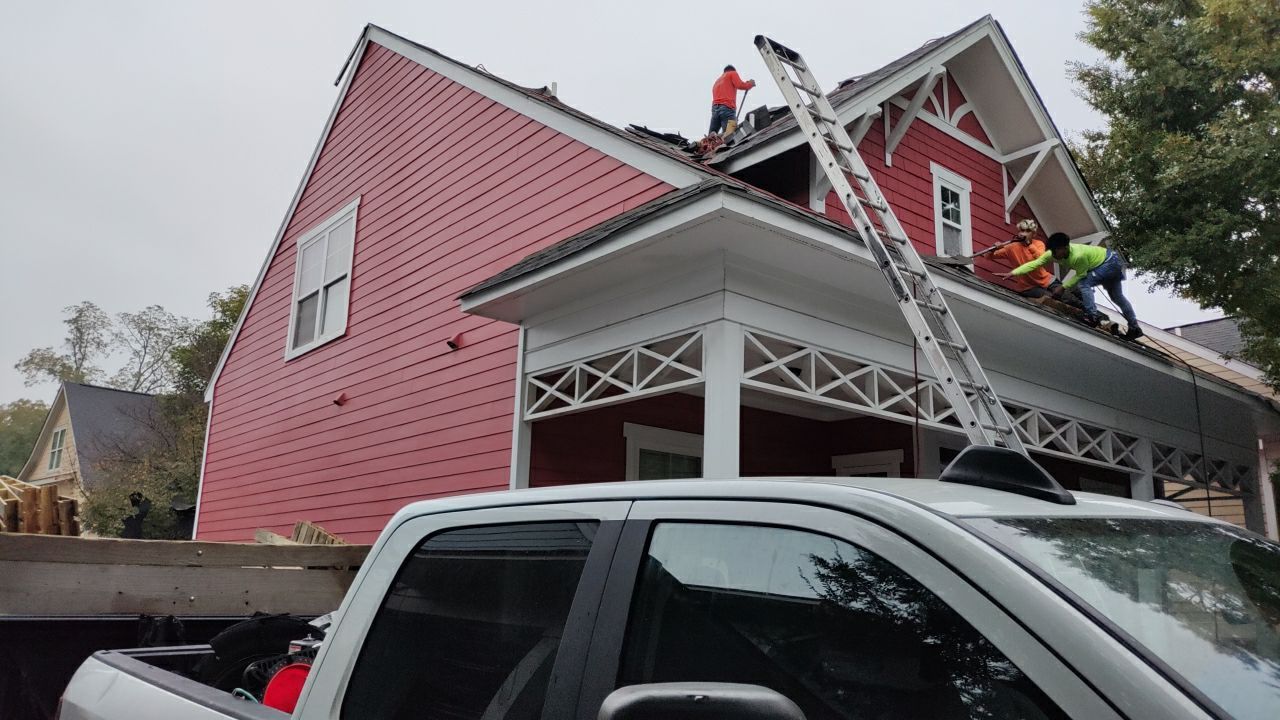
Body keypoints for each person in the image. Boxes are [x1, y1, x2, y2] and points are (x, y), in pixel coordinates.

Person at [998, 233, 1143, 340]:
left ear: (1065, 248)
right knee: (1117, 297)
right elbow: (1034, 264)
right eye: (1053, 252)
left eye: (1058, 252)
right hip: (1110, 262)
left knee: (1084, 284)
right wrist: (1014, 272)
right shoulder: (1052, 254)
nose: (1055, 255)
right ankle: (1134, 328)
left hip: (1108, 262)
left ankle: (1092, 316)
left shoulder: (1077, 256)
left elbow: (1080, 275)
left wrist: (1062, 287)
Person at [989, 219, 1071, 301]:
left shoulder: (1038, 244)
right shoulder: (1011, 247)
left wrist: (1029, 244)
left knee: (1067, 298)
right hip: (1029, 287)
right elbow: (989, 256)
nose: (1024, 233)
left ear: (1033, 234)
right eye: (1022, 230)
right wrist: (993, 249)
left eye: (1028, 231)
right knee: (1051, 299)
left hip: (1047, 280)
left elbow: (1041, 259)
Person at [710, 65, 755, 136]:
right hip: (727, 108)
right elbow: (740, 85)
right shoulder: (732, 73)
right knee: (730, 135)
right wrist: (750, 84)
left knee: (710, 138)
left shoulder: (717, 81)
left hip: (715, 110)